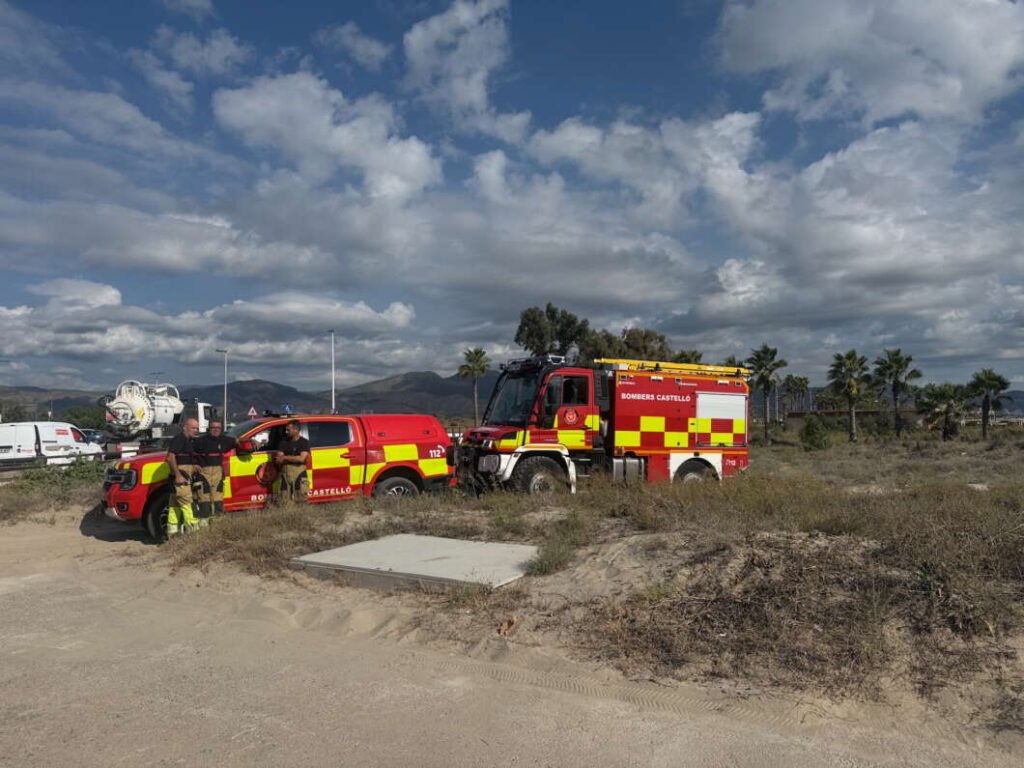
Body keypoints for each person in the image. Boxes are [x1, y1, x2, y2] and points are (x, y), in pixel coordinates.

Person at [193, 419, 235, 525]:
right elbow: (188, 453)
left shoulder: (224, 440)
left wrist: (252, 441)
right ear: (208, 429)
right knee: (204, 501)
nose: (216, 430)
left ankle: (217, 526)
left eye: (218, 428)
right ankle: (203, 528)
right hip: (203, 474)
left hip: (218, 474)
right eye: (213, 428)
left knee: (218, 501)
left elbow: (238, 441)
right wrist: (194, 464)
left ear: (221, 429)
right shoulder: (199, 441)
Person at [165, 417, 199, 535]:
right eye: (193, 428)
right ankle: (194, 534)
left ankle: (173, 534)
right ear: (185, 427)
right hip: (181, 480)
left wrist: (193, 467)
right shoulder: (180, 439)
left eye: (197, 428)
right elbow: (170, 457)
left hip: (180, 479)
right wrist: (178, 475)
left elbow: (181, 458)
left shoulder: (187, 440)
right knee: (188, 504)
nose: (196, 430)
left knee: (174, 506)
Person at [273, 419, 310, 504]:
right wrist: (293, 458)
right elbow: (279, 458)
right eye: (286, 430)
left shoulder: (304, 442)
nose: (286, 432)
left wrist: (285, 457)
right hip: (285, 473)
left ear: (296, 430)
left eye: (288, 430)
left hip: (299, 472)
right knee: (283, 499)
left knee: (301, 499)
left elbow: (301, 459)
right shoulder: (283, 442)